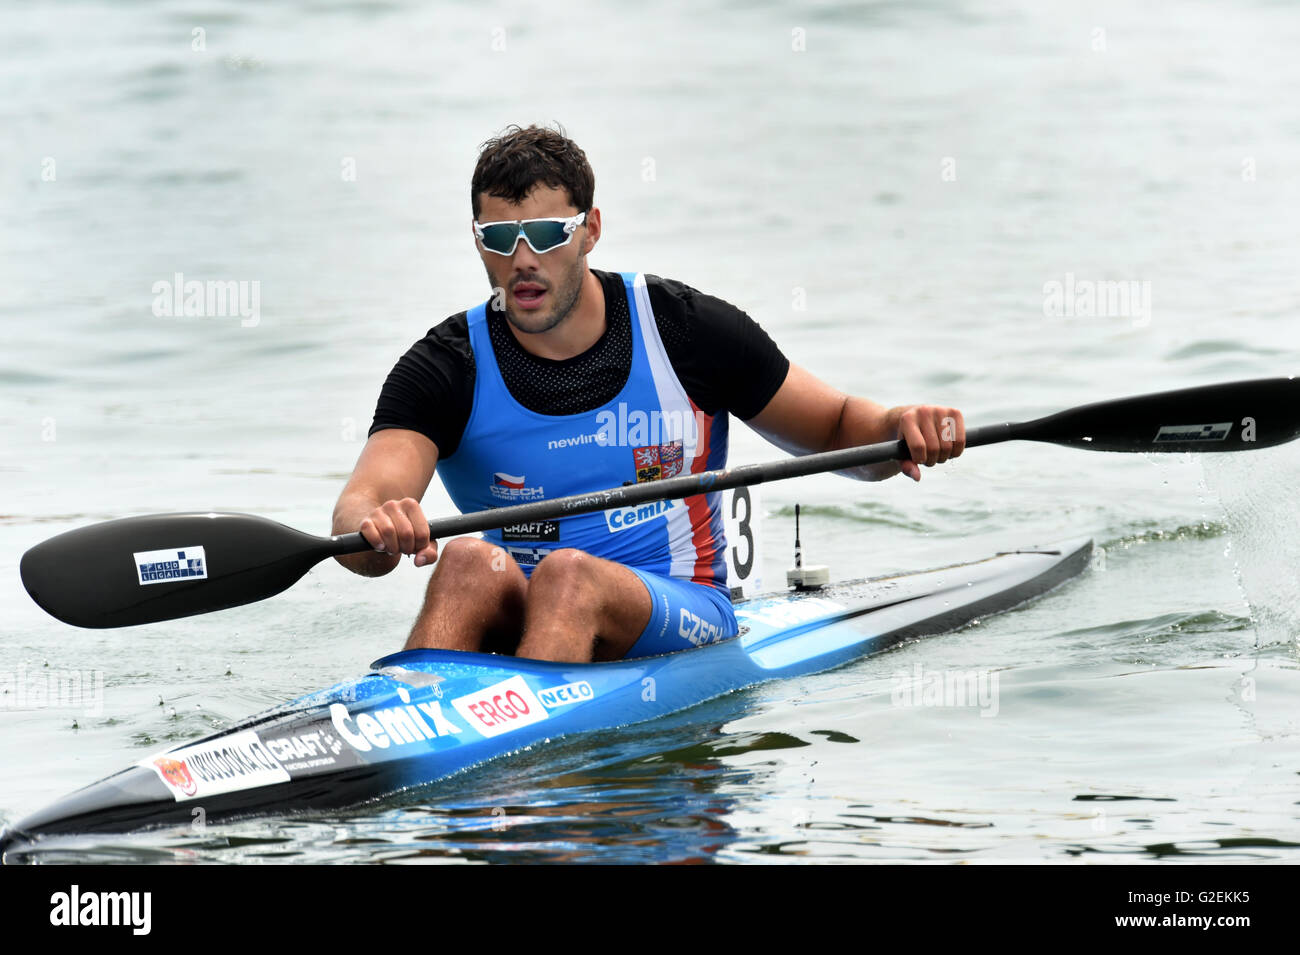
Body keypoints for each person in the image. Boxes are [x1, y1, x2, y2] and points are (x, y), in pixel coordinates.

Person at [332, 124, 965, 663]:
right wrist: (375, 526)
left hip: (681, 611)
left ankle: (527, 782)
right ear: (479, 243)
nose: (524, 259)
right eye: (500, 239)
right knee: (466, 562)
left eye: (548, 235)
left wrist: (899, 424)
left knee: (568, 575)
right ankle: (403, 727)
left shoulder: (687, 330)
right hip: (524, 610)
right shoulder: (446, 365)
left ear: (591, 230)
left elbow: (833, 429)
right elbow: (365, 501)